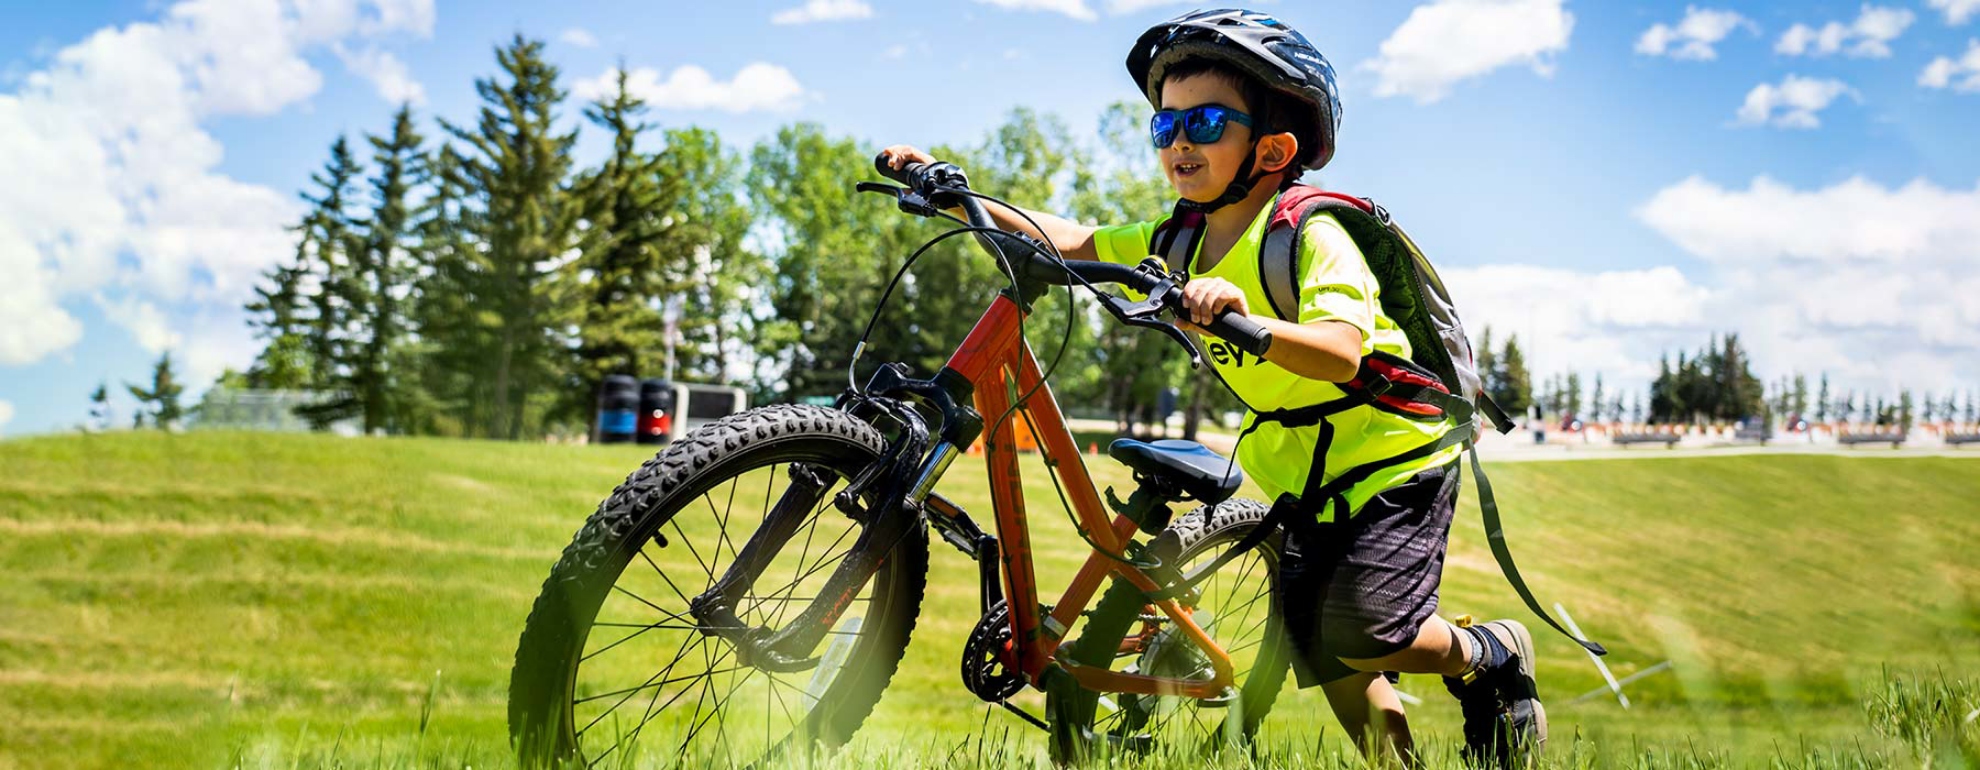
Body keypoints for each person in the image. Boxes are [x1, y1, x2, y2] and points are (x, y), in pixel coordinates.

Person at [882, 8, 1543, 766]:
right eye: (1165, 128)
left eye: (1202, 122)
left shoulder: (1309, 233)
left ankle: (1489, 654)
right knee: (1326, 658)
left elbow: (1340, 353)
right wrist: (954, 190)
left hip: (1394, 458)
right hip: (1301, 466)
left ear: (1272, 149)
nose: (1179, 143)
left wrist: (1245, 317)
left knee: (1365, 634)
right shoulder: (1179, 241)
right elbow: (1069, 239)